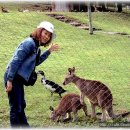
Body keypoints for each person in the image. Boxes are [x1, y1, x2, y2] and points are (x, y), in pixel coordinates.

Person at [4, 21, 59, 127]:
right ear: (39, 31)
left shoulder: (36, 47)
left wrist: (48, 51)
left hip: (17, 78)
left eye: (49, 35)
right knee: (16, 107)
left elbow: (36, 62)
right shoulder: (29, 43)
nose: (47, 37)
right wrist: (9, 80)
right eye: (45, 33)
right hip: (12, 76)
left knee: (20, 106)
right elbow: (15, 61)